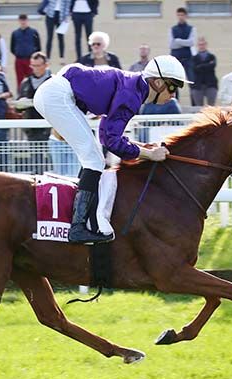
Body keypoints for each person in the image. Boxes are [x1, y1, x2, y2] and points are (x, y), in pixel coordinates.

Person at [33, 55, 187, 243]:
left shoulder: (133, 87)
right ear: (156, 83)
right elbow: (110, 141)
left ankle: (80, 218)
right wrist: (150, 154)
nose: (174, 94)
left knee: (93, 157)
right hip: (58, 96)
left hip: (58, 93)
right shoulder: (132, 95)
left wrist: (141, 148)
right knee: (94, 160)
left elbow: (107, 135)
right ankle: (78, 227)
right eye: (172, 86)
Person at [17, 51, 52, 173]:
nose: (35, 69)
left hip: (49, 125)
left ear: (46, 65)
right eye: (33, 65)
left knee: (50, 154)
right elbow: (18, 105)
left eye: (38, 65)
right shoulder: (26, 83)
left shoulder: (53, 81)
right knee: (35, 156)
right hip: (31, 126)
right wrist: (21, 103)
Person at [169, 7, 197, 102]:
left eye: (182, 15)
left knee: (191, 81)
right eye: (179, 15)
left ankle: (194, 103)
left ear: (186, 16)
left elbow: (192, 42)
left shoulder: (191, 29)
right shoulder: (173, 29)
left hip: (188, 58)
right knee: (174, 81)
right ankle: (174, 102)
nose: (180, 17)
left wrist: (178, 41)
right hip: (175, 59)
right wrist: (184, 42)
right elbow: (171, 45)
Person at [10, 14, 41, 91]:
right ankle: (20, 95)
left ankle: (32, 94)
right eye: (21, 20)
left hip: (31, 60)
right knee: (19, 79)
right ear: (19, 21)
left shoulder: (34, 32)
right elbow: (12, 47)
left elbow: (38, 46)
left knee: (32, 78)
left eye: (24, 20)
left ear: (27, 21)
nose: (23, 22)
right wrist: (18, 53)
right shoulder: (15, 33)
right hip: (19, 60)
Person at [190, 37, 217, 106]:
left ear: (206, 45)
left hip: (211, 84)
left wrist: (200, 66)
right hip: (197, 85)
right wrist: (207, 65)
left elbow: (212, 66)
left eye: (203, 44)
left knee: (211, 107)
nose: (202, 46)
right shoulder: (194, 58)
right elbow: (194, 69)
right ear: (197, 46)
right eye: (200, 44)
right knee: (198, 108)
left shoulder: (212, 56)